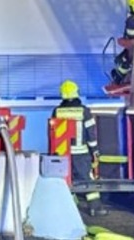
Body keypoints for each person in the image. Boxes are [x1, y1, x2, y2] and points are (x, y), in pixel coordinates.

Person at [53, 80, 108, 217]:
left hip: (62, 154)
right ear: (76, 92)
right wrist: (95, 150)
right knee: (87, 179)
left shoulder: (57, 111)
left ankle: (68, 208)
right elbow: (91, 133)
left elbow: (52, 133)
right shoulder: (84, 111)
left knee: (65, 180)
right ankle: (95, 207)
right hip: (81, 153)